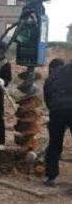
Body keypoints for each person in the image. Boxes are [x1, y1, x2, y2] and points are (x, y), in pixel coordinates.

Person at [43, 59, 72, 187]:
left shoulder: (53, 75)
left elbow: (47, 97)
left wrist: (55, 110)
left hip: (56, 110)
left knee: (54, 143)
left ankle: (51, 177)